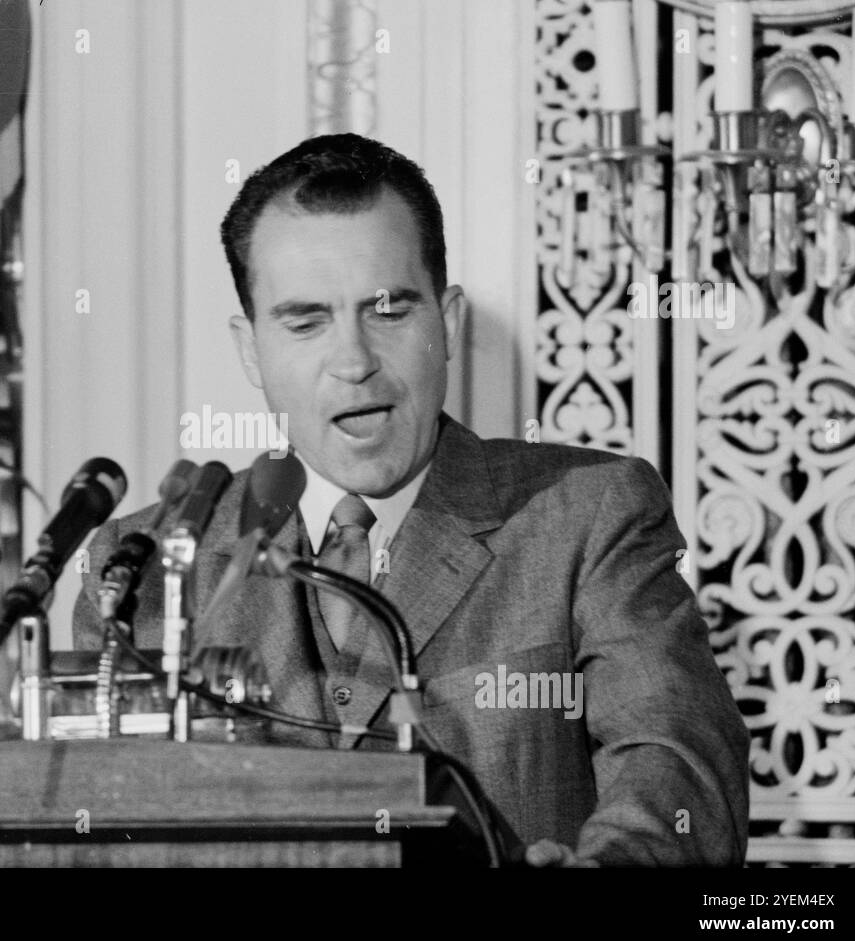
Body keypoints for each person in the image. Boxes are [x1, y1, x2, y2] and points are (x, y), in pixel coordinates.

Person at [72, 133, 750, 866]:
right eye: (305, 321)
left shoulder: (588, 515)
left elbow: (679, 755)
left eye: (389, 311)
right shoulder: (141, 569)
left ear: (447, 322)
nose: (355, 362)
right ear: (250, 350)